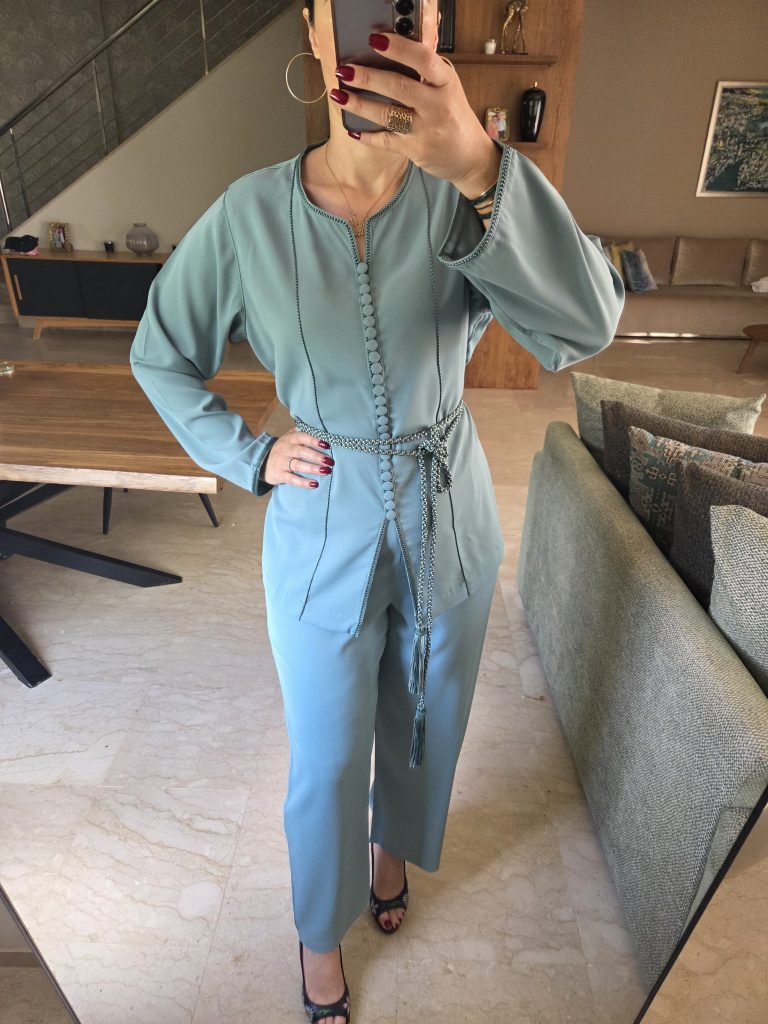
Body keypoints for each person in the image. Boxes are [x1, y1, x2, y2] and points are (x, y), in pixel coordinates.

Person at [129, 1, 625, 1019]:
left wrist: (479, 165)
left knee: (425, 720)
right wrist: (250, 454)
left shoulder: (465, 196)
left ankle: (390, 850)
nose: (381, 28)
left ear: (432, 28)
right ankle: (320, 932)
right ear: (316, 32)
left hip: (450, 508)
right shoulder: (250, 216)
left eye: (411, 5)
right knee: (325, 754)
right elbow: (161, 355)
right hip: (322, 517)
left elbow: (585, 326)